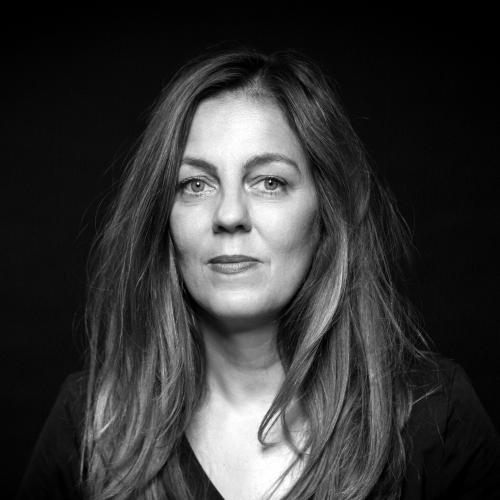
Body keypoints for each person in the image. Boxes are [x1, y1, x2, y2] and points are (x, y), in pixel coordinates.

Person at [17, 48, 500, 500]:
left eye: (269, 182)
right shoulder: (90, 421)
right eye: (195, 184)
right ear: (163, 218)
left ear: (326, 212)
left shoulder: (436, 416)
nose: (229, 215)